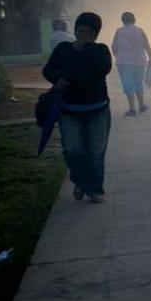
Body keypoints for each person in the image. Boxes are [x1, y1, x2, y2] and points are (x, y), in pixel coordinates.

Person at [42, 12, 113, 203]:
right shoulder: (63, 49)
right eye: (81, 30)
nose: (84, 35)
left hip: (97, 110)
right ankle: (80, 181)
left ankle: (95, 189)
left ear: (96, 34)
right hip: (69, 110)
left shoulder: (101, 50)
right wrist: (57, 80)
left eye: (90, 32)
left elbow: (103, 68)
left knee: (96, 151)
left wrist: (88, 47)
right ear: (75, 30)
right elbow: (48, 70)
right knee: (72, 149)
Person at [111, 11, 151, 116]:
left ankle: (132, 109)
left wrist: (119, 56)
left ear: (123, 20)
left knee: (128, 85)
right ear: (134, 19)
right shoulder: (140, 31)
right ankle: (141, 105)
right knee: (138, 83)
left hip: (124, 62)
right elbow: (147, 46)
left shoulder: (119, 31)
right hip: (140, 62)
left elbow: (113, 47)